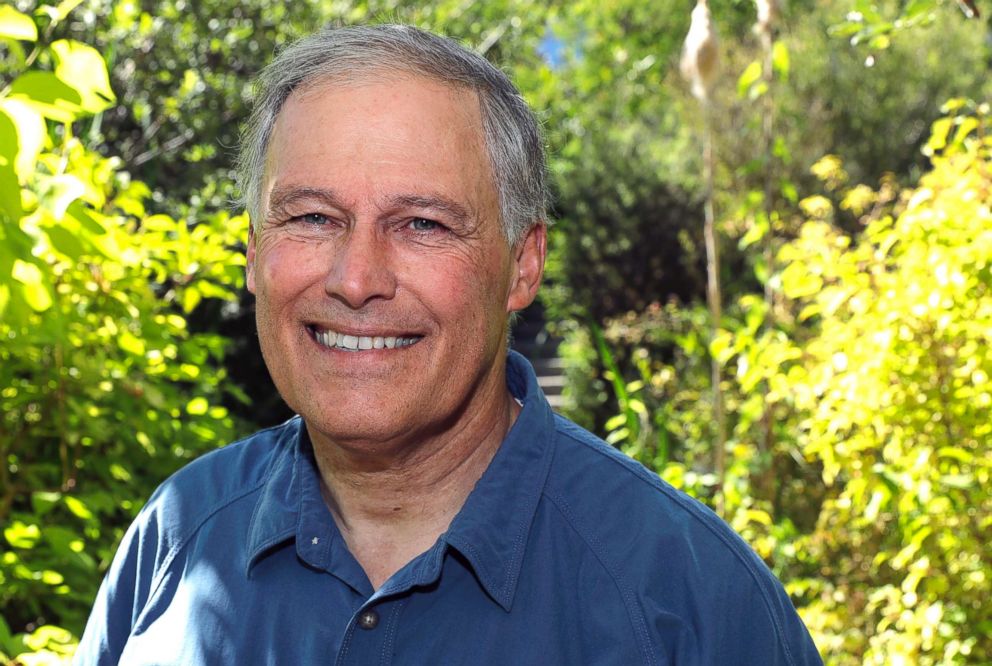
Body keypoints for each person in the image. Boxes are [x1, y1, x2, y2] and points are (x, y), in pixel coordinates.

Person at [75, 24, 823, 665]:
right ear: (252, 254)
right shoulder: (174, 545)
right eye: (310, 217)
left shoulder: (690, 603)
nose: (356, 278)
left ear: (522, 265)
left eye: (423, 225)